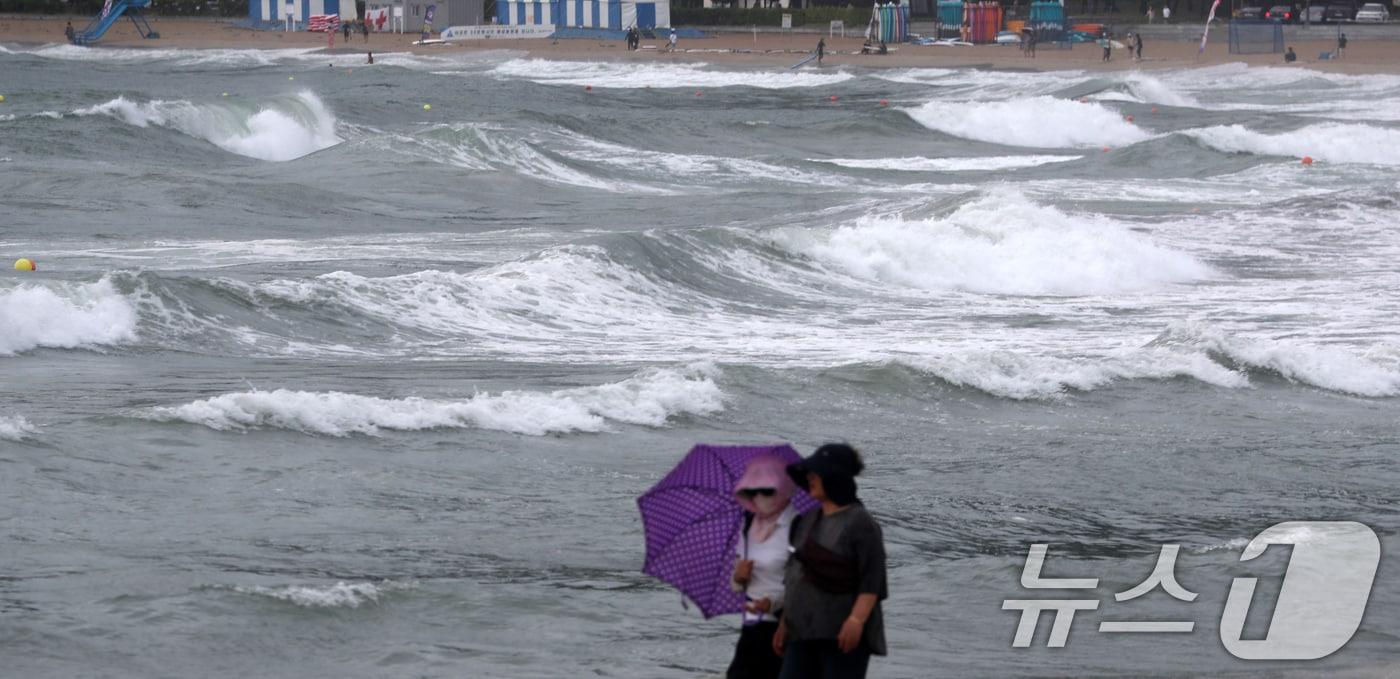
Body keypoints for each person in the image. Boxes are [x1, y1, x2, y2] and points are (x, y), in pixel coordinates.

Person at [773, 444, 888, 679]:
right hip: (802, 630)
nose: (810, 479)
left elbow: (872, 580)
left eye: (817, 474)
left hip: (841, 633)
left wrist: (856, 621)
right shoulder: (807, 520)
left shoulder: (861, 522)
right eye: (810, 474)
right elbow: (796, 573)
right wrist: (785, 621)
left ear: (834, 477)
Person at [726, 456, 800, 679]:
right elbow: (738, 583)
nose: (758, 498)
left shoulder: (798, 527)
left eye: (766, 491)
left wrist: (773, 603)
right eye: (752, 492)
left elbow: (805, 582)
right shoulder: (750, 524)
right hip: (752, 623)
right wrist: (738, 578)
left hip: (783, 626)